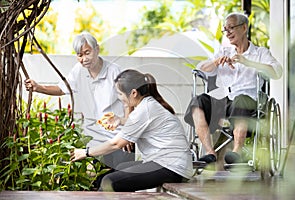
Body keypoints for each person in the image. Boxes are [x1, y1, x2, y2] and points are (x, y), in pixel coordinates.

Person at [24, 32, 134, 173]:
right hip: (95, 141)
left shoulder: (115, 71)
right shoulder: (78, 71)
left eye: (87, 53)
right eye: (79, 55)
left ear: (97, 49)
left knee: (120, 185)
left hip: (118, 140)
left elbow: (128, 103)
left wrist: (128, 133)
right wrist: (38, 87)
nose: (83, 59)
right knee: (99, 184)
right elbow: (62, 88)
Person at [70, 69, 193, 192]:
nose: (119, 98)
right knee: (121, 168)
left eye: (120, 94)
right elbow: (142, 124)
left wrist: (86, 152)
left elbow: (116, 144)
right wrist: (120, 120)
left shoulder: (145, 109)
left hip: (172, 167)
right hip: (170, 164)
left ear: (133, 93)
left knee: (110, 181)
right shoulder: (147, 105)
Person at [184, 12, 282, 165]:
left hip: (248, 104)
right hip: (223, 103)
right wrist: (216, 62)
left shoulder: (260, 53)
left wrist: (248, 62)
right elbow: (200, 69)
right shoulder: (224, 52)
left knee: (241, 99)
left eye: (231, 28)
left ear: (244, 28)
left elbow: (277, 72)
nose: (227, 32)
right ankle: (210, 153)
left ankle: (236, 151)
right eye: (225, 29)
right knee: (198, 101)